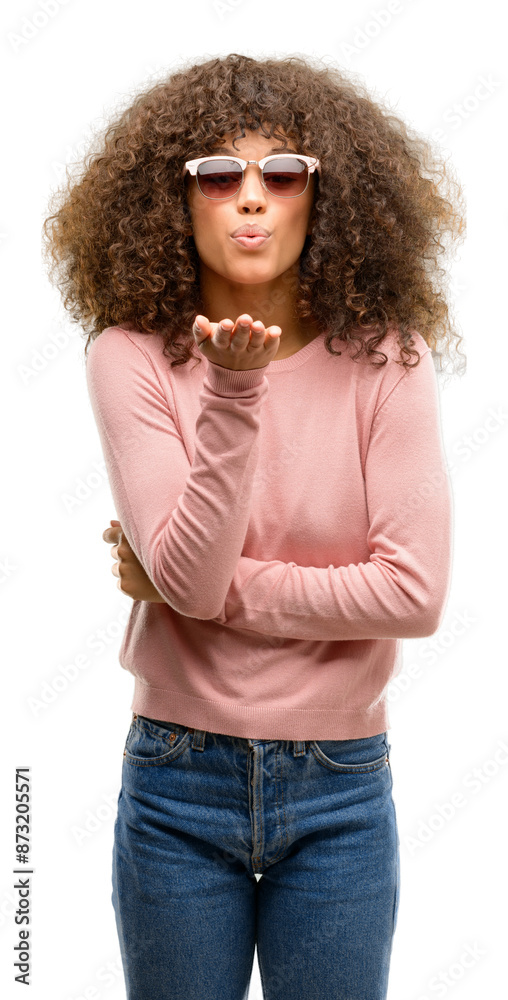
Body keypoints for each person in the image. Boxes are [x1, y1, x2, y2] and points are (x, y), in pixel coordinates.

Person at [42, 52, 466, 1000]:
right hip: (175, 781)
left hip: (343, 785)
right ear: (173, 201)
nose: (250, 199)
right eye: (217, 175)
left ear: (325, 197)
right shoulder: (130, 357)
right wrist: (234, 388)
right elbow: (185, 583)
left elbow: (414, 592)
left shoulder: (386, 357)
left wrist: (212, 586)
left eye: (282, 173)